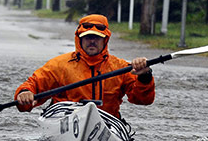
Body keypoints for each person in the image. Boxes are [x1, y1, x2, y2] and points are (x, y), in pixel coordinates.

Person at [14, 14, 154, 118]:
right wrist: (24, 93)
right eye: (87, 37)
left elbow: (143, 100)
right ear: (79, 39)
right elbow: (30, 91)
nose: (92, 41)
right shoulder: (58, 66)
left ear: (105, 40)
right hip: (64, 120)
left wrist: (145, 76)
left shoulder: (122, 67)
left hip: (107, 123)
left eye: (97, 37)